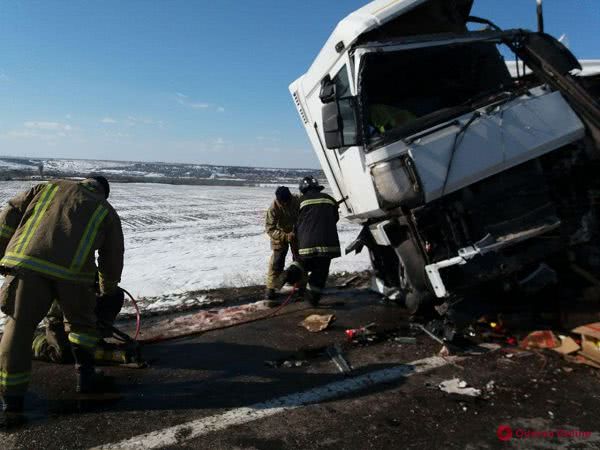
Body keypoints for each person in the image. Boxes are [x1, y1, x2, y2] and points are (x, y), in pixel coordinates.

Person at [0, 176, 124, 427]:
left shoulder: (47, 187)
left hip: (28, 267)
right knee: (82, 327)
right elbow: (112, 257)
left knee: (18, 327)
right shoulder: (105, 210)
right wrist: (107, 289)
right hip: (74, 276)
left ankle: (12, 399)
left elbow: (9, 214)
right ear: (102, 192)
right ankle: (85, 379)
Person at [279, 176, 340, 306]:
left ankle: (291, 272)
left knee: (304, 262)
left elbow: (296, 221)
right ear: (317, 187)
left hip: (306, 244)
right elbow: (335, 217)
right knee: (320, 271)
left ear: (303, 189)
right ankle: (313, 299)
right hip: (327, 243)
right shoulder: (329, 199)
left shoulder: (300, 201)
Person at [264, 186, 300, 300]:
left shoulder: (297, 200)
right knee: (277, 261)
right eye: (282, 202)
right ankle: (271, 288)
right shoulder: (273, 208)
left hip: (296, 234)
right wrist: (285, 236)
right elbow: (270, 228)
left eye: (287, 201)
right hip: (279, 236)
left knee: (300, 260)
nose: (285, 204)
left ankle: (299, 284)